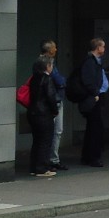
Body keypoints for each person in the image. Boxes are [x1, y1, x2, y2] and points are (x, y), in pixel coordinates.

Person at [78, 38, 109, 167]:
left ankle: (89, 156)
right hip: (94, 98)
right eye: (103, 46)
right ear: (98, 48)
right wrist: (95, 93)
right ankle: (93, 157)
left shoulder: (96, 61)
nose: (104, 49)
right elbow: (88, 80)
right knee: (95, 128)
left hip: (98, 96)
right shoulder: (90, 62)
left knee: (94, 127)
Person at [27, 55, 59, 177]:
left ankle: (34, 167)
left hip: (33, 113)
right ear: (47, 66)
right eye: (51, 65)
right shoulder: (47, 79)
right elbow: (51, 97)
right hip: (44, 113)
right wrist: (55, 110)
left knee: (36, 141)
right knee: (45, 141)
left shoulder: (33, 78)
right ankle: (42, 168)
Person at [41, 40, 68, 170]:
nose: (56, 50)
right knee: (52, 132)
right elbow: (59, 80)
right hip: (52, 101)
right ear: (49, 49)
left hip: (56, 99)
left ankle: (53, 159)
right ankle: (50, 159)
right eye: (54, 48)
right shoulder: (46, 63)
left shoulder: (49, 62)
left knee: (57, 131)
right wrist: (62, 82)